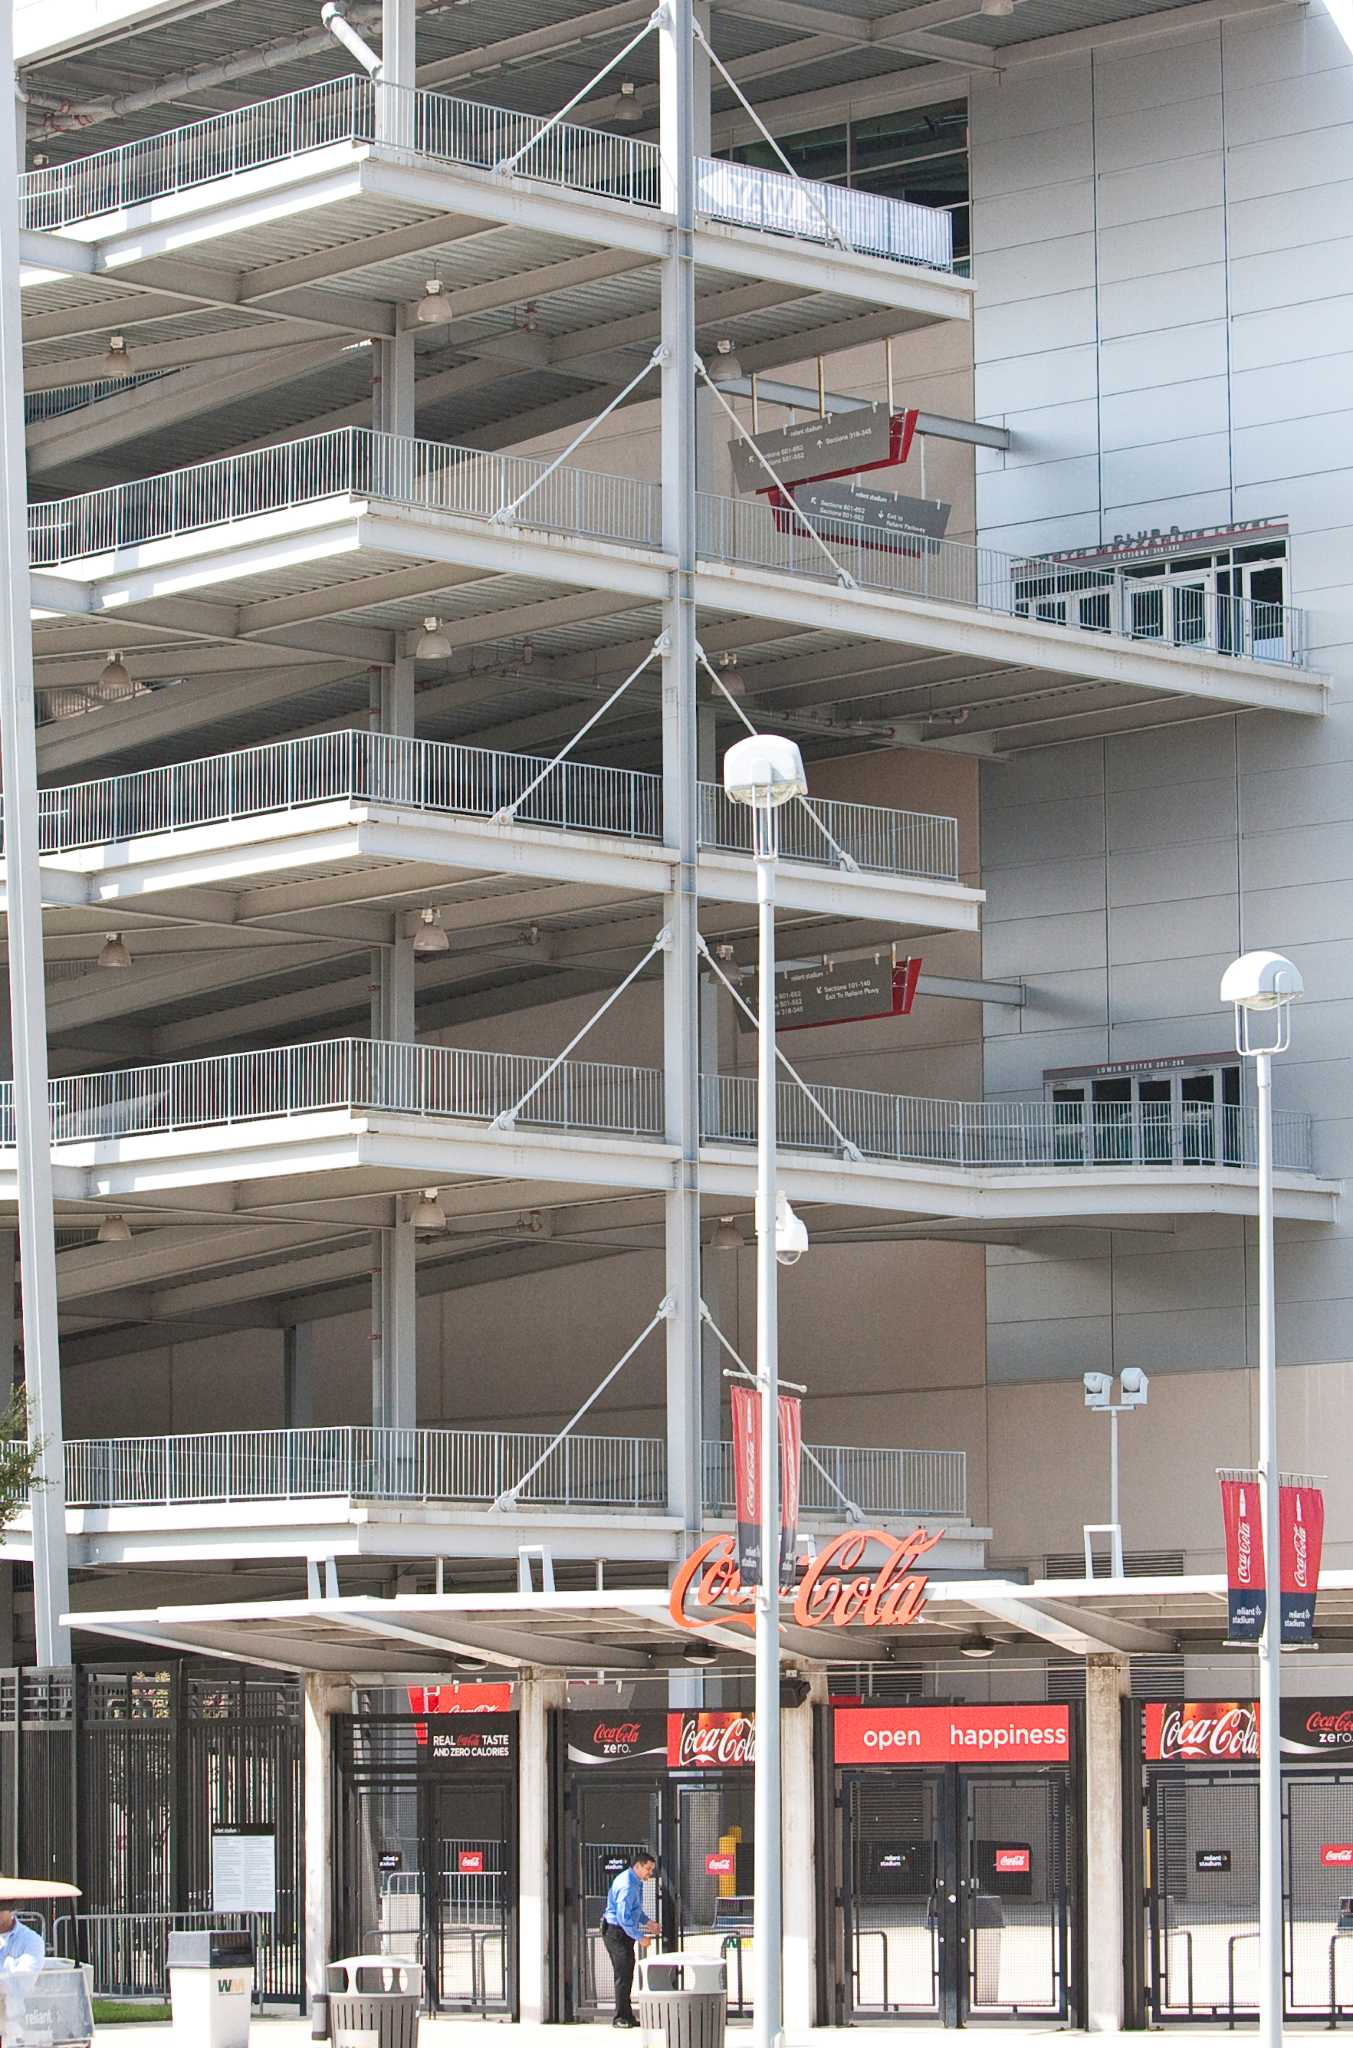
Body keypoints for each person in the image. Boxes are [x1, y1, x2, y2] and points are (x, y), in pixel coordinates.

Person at [601, 1850, 659, 2029]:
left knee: (626, 1972)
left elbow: (635, 1910)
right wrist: (640, 1936)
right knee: (623, 1974)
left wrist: (647, 1922)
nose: (650, 1873)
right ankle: (620, 2017)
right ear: (639, 1866)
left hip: (622, 1931)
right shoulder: (627, 1884)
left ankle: (627, 2015)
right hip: (616, 1932)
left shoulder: (635, 1881)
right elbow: (623, 1916)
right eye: (648, 1869)